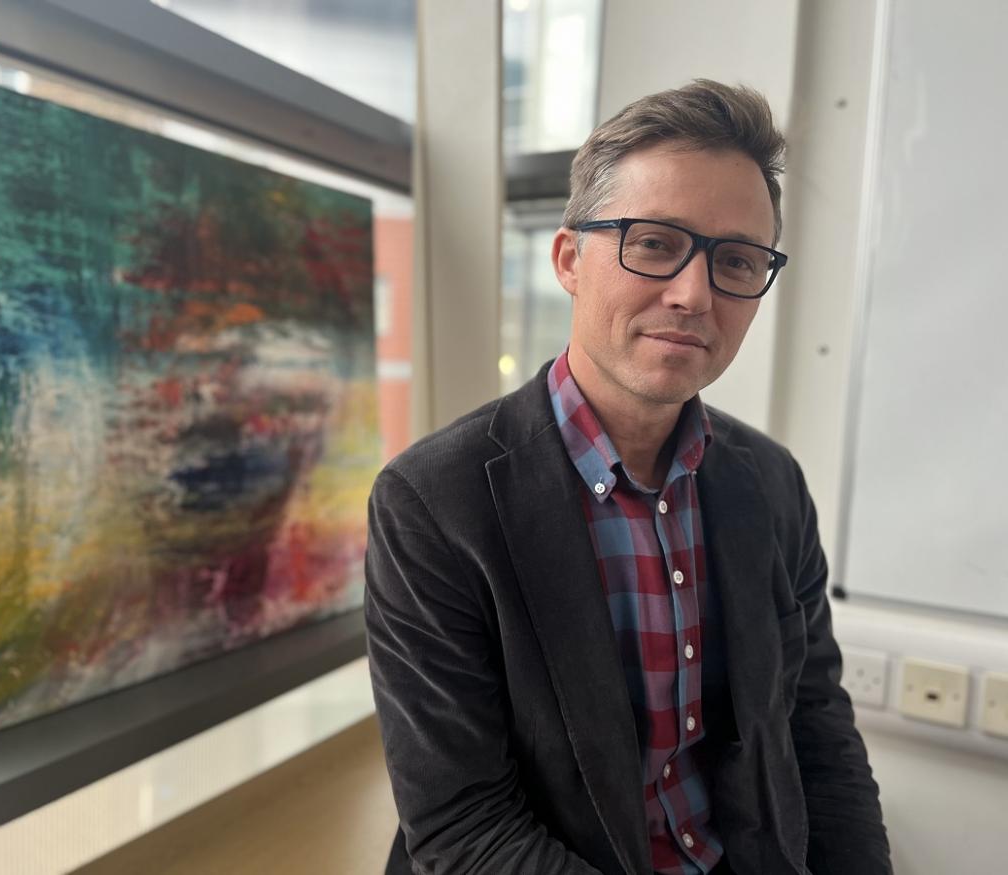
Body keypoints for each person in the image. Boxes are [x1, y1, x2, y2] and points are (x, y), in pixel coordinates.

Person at [364, 80, 891, 875]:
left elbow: (815, 727)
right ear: (571, 259)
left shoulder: (772, 484)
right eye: (653, 243)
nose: (694, 294)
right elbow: (465, 824)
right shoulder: (435, 502)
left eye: (737, 260)